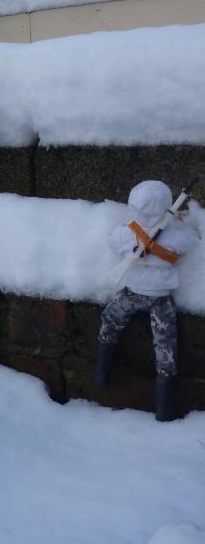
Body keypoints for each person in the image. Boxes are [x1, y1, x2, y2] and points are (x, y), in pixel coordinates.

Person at [96, 180, 200, 421]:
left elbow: (112, 241)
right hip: (161, 300)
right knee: (166, 348)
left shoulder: (125, 232)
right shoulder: (175, 235)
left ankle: (100, 373)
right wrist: (176, 223)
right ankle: (164, 407)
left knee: (110, 322)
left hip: (131, 293)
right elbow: (193, 241)